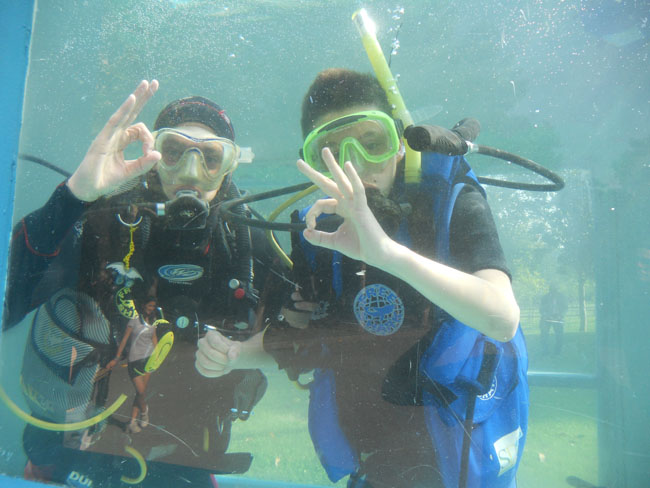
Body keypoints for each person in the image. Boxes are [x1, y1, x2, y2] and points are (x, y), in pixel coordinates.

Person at [196, 69, 529, 488]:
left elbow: (502, 317)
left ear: (400, 146)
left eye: (372, 143)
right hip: (375, 463)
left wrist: (388, 255)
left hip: (457, 461)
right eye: (331, 154)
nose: (355, 168)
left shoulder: (453, 200)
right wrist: (233, 354)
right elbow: (312, 337)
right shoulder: (317, 237)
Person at [3, 80, 275, 487]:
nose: (191, 172)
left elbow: (309, 340)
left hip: (184, 454)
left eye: (210, 158)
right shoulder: (106, 222)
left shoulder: (246, 239)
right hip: (72, 445)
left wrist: (244, 353)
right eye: (174, 152)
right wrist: (75, 197)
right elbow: (10, 302)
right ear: (155, 157)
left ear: (229, 167)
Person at [107, 296, 159, 434]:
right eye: (149, 306)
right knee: (141, 392)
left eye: (153, 307)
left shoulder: (153, 322)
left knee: (139, 393)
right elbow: (124, 340)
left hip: (148, 361)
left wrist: (158, 355)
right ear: (143, 306)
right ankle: (144, 411)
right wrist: (117, 358)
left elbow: (154, 338)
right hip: (134, 361)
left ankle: (132, 421)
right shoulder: (134, 321)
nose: (151, 309)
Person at [539, 283, 569, 355]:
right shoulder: (545, 297)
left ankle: (557, 352)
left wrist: (561, 315)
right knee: (544, 335)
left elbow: (565, 307)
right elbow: (541, 308)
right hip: (546, 318)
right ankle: (545, 351)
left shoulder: (561, 297)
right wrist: (545, 315)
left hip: (557, 317)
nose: (553, 292)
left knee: (559, 335)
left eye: (554, 290)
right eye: (551, 290)